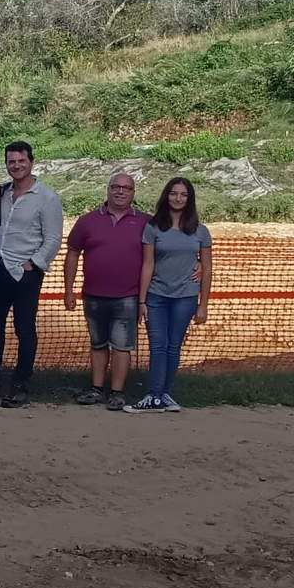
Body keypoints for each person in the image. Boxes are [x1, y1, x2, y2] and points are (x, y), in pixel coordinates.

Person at [0, 141, 64, 408]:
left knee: (24, 328)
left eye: (20, 161)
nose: (16, 165)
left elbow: (52, 239)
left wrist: (34, 264)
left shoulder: (47, 197)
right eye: (11, 161)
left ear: (31, 162)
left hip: (26, 272)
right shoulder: (2, 193)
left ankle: (21, 382)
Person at [63, 174, 150, 411]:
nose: (121, 192)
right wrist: (68, 290)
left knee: (122, 346)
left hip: (128, 297)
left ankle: (118, 392)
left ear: (133, 193)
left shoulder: (146, 222)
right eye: (116, 187)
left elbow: (167, 247)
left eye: (126, 188)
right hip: (93, 295)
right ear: (108, 190)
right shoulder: (87, 221)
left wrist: (198, 262)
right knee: (98, 344)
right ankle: (96, 389)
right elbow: (72, 253)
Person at [128, 177, 214, 413]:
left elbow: (207, 269)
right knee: (158, 345)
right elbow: (148, 265)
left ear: (190, 199)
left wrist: (203, 304)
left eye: (183, 195)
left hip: (185, 297)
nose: (178, 198)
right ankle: (154, 396)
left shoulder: (200, 231)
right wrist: (142, 300)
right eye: (174, 193)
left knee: (173, 346)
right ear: (166, 196)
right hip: (156, 296)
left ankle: (164, 394)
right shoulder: (153, 228)